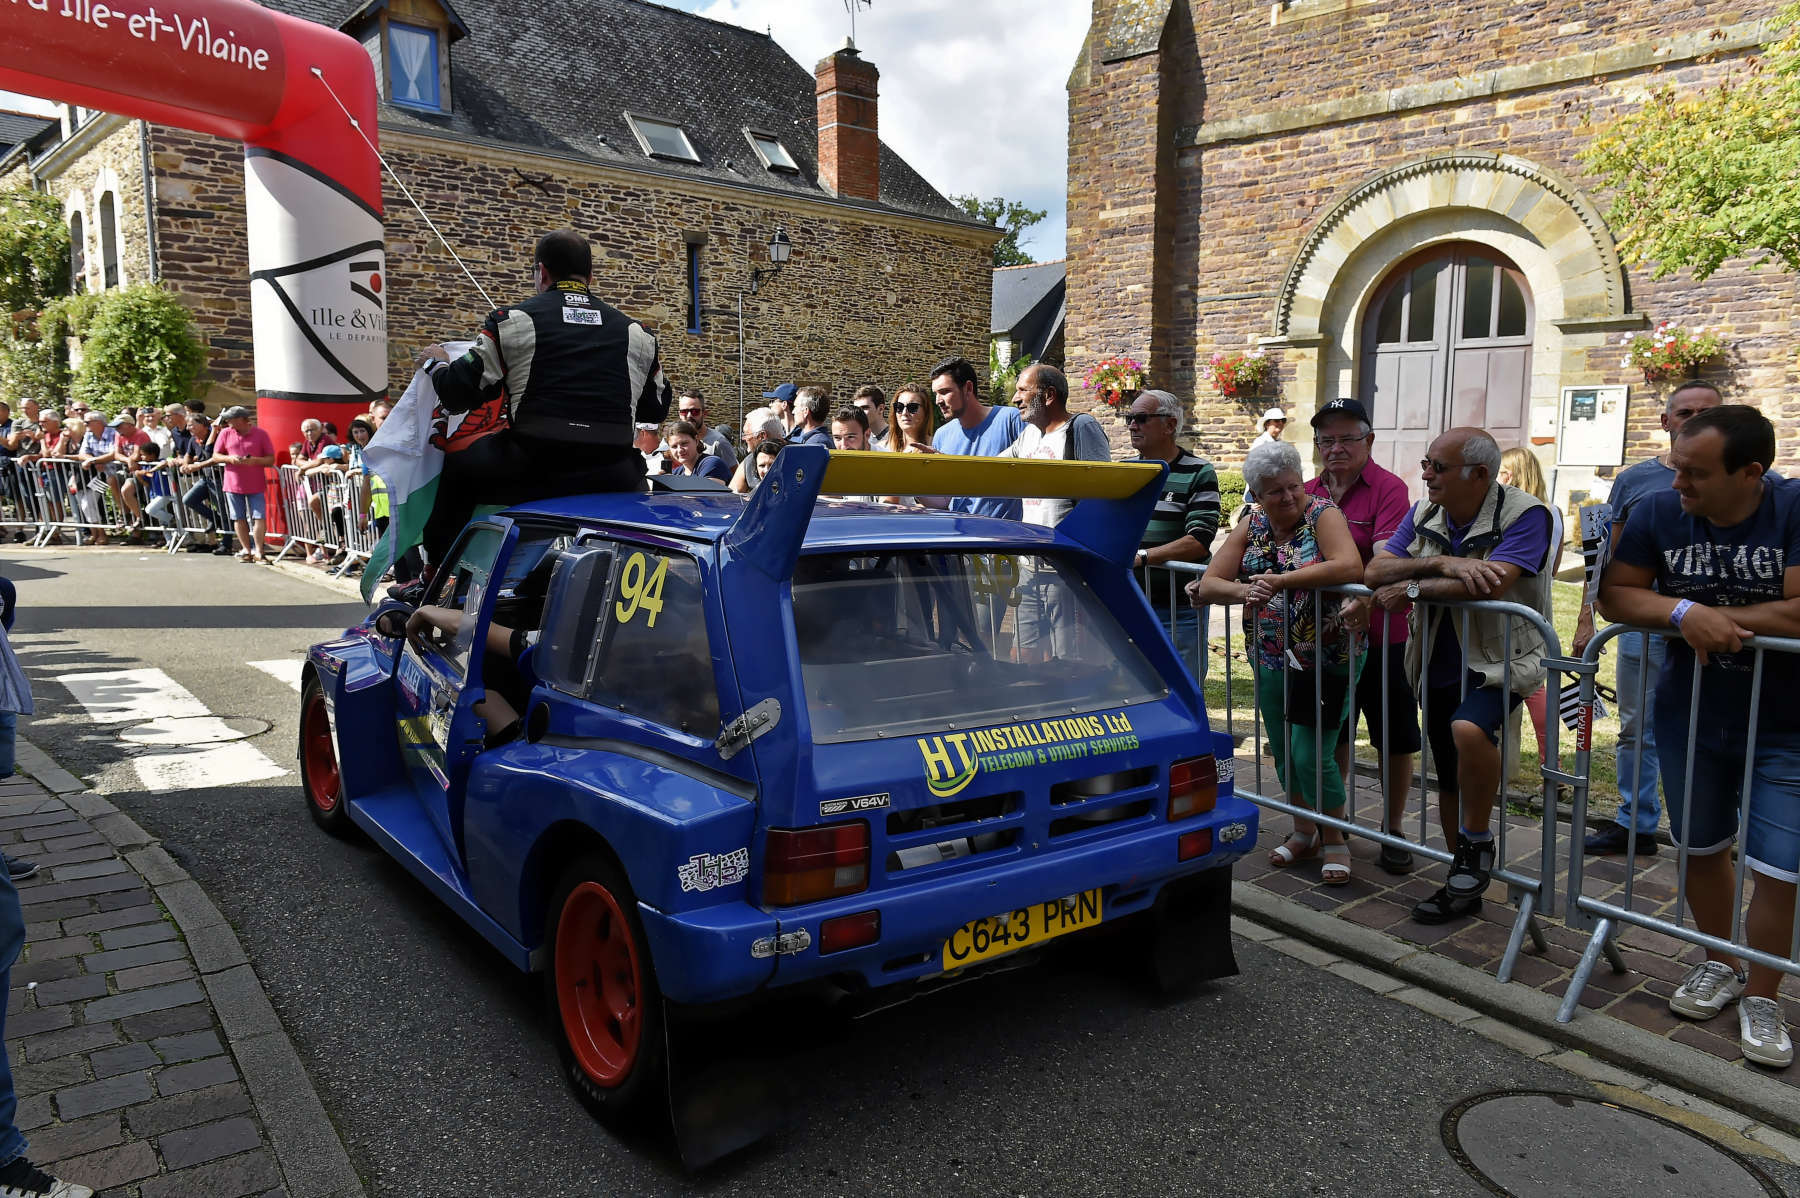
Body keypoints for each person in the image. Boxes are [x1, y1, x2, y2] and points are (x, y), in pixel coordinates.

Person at [1600, 405, 1797, 1068]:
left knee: (1777, 866)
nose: (1679, 484)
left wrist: (1715, 619)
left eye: (1696, 474)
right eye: (1677, 467)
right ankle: (1719, 962)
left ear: (1751, 474)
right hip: (1690, 713)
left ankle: (1763, 995)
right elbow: (1618, 595)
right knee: (1701, 847)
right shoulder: (1658, 510)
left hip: (1786, 724)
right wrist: (1685, 611)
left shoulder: (1794, 508)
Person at [1366, 427, 1555, 925]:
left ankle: (1476, 844)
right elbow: (1374, 571)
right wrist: (1443, 563)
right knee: (1448, 768)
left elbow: (1491, 582)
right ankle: (1461, 878)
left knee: (1469, 729)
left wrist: (1409, 587)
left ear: (1480, 475)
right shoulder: (1426, 512)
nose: (1425, 475)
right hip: (1435, 659)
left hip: (1501, 661)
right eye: (1426, 463)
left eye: (1437, 467)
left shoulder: (1526, 514)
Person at [416, 230, 670, 565]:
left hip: (532, 468)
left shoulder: (512, 322)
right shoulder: (638, 334)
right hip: (613, 472)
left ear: (542, 273)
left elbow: (457, 393)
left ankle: (436, 572)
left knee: (458, 468)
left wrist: (436, 364)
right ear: (591, 277)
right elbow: (657, 405)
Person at [1191, 439, 1365, 884]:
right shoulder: (1251, 523)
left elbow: (1349, 565)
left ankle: (1336, 838)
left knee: (1312, 754)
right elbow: (1211, 583)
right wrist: (1244, 591)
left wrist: (1281, 581)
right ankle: (1303, 830)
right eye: (1275, 491)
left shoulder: (1322, 514)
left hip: (1328, 657)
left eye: (1293, 487)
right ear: (1257, 495)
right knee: (1285, 752)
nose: (1288, 497)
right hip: (1270, 657)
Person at [1577, 381, 1724, 857]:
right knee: (1637, 727)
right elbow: (1607, 556)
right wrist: (1587, 616)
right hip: (1645, 626)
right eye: (1685, 412)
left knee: (1712, 726)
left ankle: (1711, 831)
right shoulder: (1634, 479)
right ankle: (1635, 823)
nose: (1694, 419)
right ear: (1665, 422)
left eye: (1707, 412)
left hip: (1713, 629)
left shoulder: (1742, 479)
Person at [1305, 398, 1421, 874]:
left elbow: (1386, 560)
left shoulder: (1388, 489)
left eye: (1347, 438)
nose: (1336, 448)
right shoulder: (1308, 491)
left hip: (1384, 636)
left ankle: (1393, 829)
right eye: (1326, 440)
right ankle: (1337, 819)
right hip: (1326, 639)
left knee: (1393, 736)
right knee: (1334, 733)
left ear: (1368, 441)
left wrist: (1365, 594)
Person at [1127, 389, 1220, 668]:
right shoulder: (1123, 471)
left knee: (1183, 690)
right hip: (1130, 603)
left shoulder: (1199, 472)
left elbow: (1199, 540)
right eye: (1129, 418)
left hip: (1179, 609)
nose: (1132, 425)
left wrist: (1143, 558)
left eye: (1142, 418)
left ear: (1170, 425)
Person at [1497, 446, 1565, 772]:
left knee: (1528, 683)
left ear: (1508, 476)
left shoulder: (1515, 513)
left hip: (1515, 606)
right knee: (1536, 681)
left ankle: (1547, 762)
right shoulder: (1555, 511)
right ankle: (1548, 759)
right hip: (1541, 604)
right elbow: (1554, 569)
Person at [927, 356, 1026, 520]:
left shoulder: (1010, 420)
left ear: (968, 388)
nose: (938, 401)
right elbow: (944, 501)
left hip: (1005, 538)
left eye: (944, 392)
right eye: (935, 394)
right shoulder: (942, 435)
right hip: (960, 536)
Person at [189, 405, 275, 563]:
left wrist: (255, 460)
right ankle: (246, 550)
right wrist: (230, 458)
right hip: (232, 483)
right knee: (238, 518)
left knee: (259, 517)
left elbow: (270, 459)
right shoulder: (225, 433)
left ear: (242, 420)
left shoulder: (260, 434)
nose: (227, 422)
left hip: (255, 482)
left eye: (231, 419)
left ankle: (259, 551)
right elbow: (215, 455)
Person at [728, 408, 785, 494]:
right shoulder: (748, 462)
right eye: (762, 465)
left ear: (762, 436)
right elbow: (733, 497)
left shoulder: (798, 456)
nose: (743, 439)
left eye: (746, 434)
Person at [676, 392, 737, 470]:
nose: (689, 416)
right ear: (679, 414)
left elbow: (734, 476)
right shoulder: (676, 442)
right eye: (684, 411)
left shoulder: (719, 443)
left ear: (704, 413)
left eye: (694, 411)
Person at [667, 421, 731, 482]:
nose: (680, 450)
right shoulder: (676, 473)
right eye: (674, 446)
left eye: (684, 443)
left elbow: (706, 492)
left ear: (696, 441)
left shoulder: (712, 464)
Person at [851, 384, 890, 449]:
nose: (858, 413)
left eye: (864, 408)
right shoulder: (862, 439)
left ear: (881, 409)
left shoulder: (897, 438)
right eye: (856, 409)